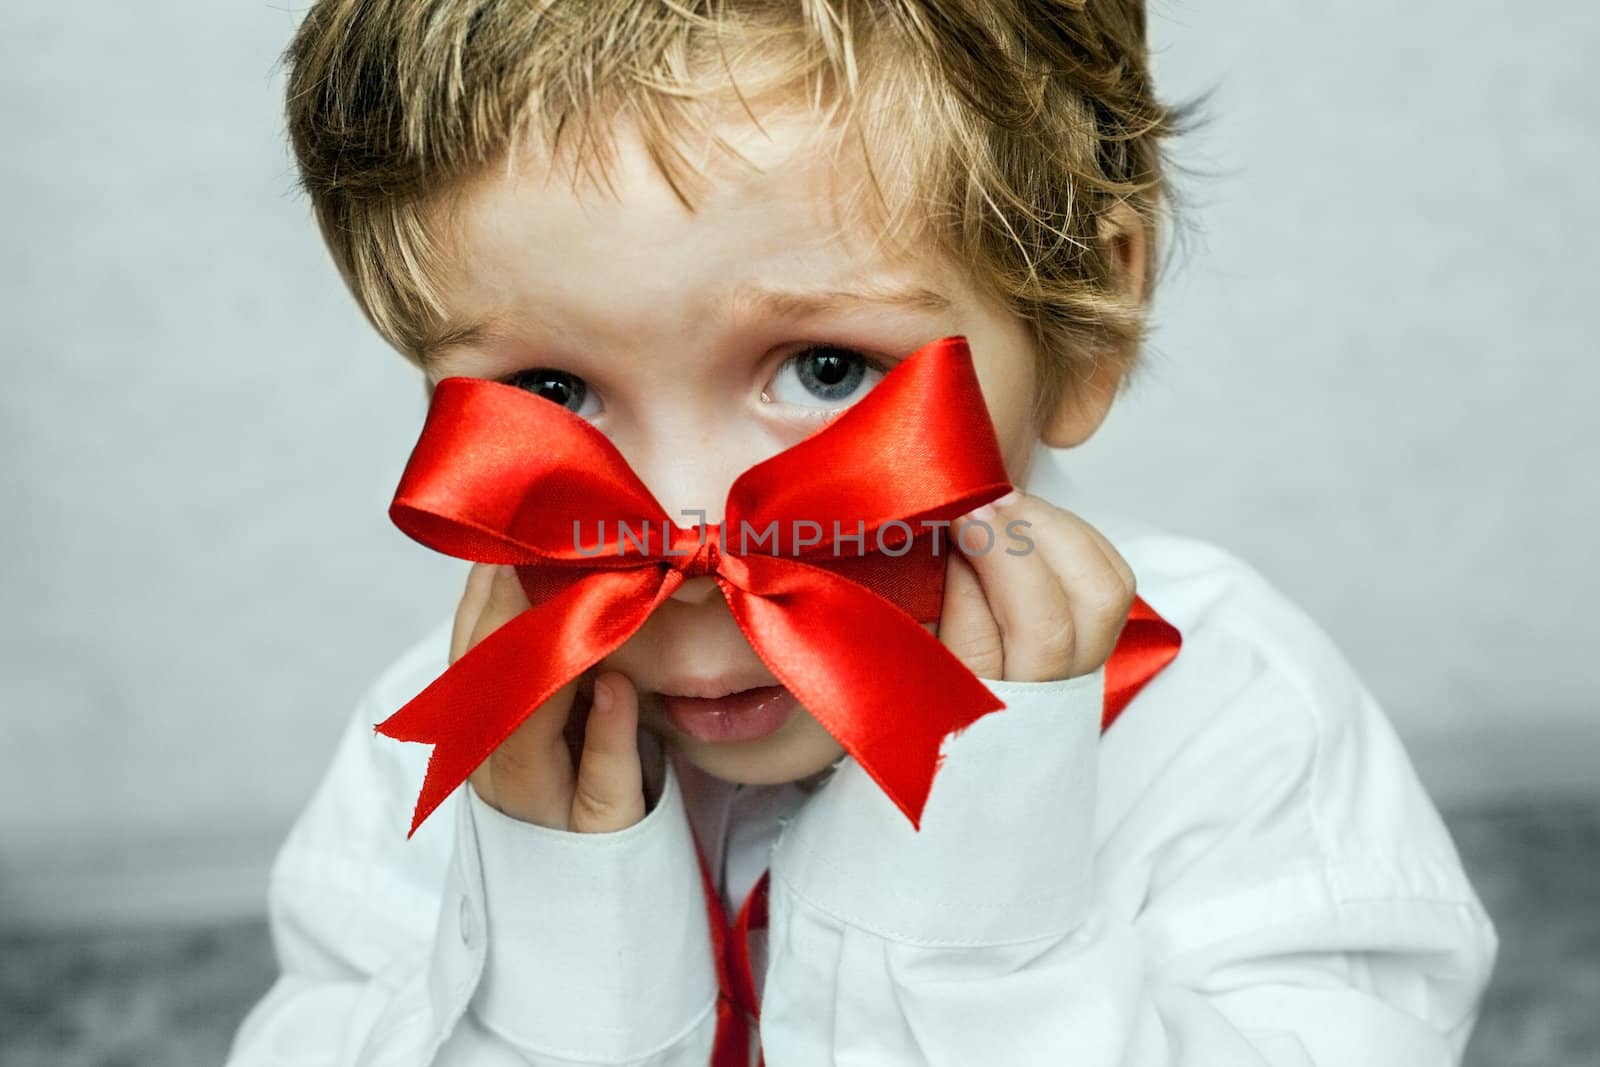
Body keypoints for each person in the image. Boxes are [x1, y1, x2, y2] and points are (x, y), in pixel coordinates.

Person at [227, 1, 1497, 1063]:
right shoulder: (439, 741)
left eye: (827, 366)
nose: (686, 542)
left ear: (1091, 308)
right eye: (553, 393)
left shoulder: (1232, 724)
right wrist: (550, 945)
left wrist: (978, 898)